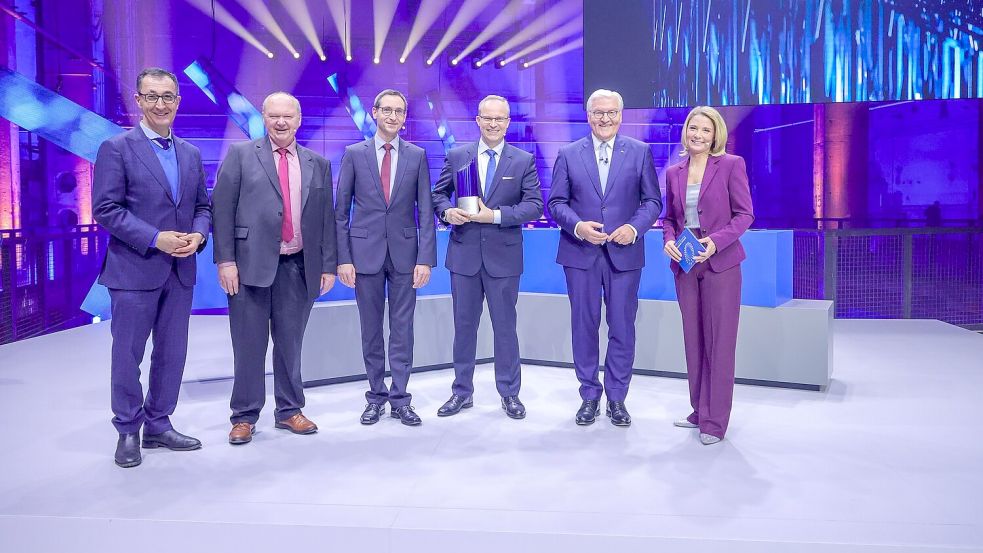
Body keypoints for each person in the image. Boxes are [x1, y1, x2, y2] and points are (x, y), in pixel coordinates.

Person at [92, 67, 211, 468]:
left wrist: (198, 235)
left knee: (172, 353)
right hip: (134, 269)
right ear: (138, 101)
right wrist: (155, 237)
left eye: (168, 97)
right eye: (153, 96)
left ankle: (158, 424)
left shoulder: (191, 153)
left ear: (178, 102)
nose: (161, 104)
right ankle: (127, 429)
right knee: (128, 354)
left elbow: (201, 207)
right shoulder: (117, 148)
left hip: (180, 270)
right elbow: (105, 209)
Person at [211, 91, 337, 445]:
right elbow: (221, 211)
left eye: (288, 116)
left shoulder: (318, 163)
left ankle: (290, 410)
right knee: (249, 345)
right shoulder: (239, 155)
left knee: (290, 345)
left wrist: (327, 265)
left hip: (298, 267)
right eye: (273, 116)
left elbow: (325, 218)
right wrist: (225, 260)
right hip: (249, 267)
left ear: (299, 120)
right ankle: (245, 416)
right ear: (263, 118)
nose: (281, 122)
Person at [548, 89, 661, 427]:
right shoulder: (568, 154)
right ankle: (589, 396)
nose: (605, 118)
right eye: (599, 113)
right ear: (589, 115)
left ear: (621, 116)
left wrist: (634, 228)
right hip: (579, 253)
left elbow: (652, 202)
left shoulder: (640, 152)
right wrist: (578, 226)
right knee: (583, 326)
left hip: (624, 254)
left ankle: (616, 398)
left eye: (611, 112)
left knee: (622, 327)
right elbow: (555, 203)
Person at [431, 95, 543, 419]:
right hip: (464, 256)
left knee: (505, 328)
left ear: (508, 122)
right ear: (477, 120)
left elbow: (534, 205)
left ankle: (509, 394)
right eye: (487, 118)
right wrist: (447, 211)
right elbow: (438, 194)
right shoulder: (457, 156)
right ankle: (461, 392)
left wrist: (493, 215)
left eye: (500, 119)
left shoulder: (522, 160)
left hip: (504, 259)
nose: (493, 124)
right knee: (463, 327)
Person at [335, 89, 436, 427]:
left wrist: (425, 259)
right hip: (364, 255)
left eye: (400, 112)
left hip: (406, 256)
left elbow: (426, 211)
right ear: (375, 113)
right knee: (371, 330)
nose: (393, 117)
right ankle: (376, 395)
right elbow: (340, 213)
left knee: (403, 329)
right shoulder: (354, 154)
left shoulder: (417, 155)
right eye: (387, 110)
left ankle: (400, 398)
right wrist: (343, 259)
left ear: (405, 118)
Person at [662, 106, 754, 445]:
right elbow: (670, 219)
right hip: (687, 264)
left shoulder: (731, 165)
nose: (697, 134)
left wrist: (714, 243)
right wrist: (669, 240)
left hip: (721, 264)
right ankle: (699, 410)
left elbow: (745, 215)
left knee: (720, 343)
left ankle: (715, 422)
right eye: (692, 128)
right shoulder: (674, 172)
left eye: (705, 129)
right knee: (694, 340)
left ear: (716, 135)